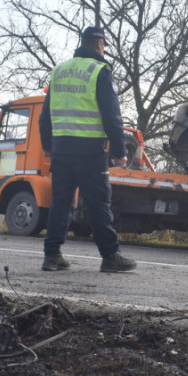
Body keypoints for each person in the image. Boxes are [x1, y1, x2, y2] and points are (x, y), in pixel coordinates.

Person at [38, 26, 137, 273]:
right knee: (98, 203)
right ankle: (110, 256)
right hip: (91, 150)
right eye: (103, 45)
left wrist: (48, 145)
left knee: (60, 202)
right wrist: (119, 150)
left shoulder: (58, 71)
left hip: (61, 148)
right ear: (98, 44)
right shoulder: (100, 71)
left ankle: (52, 256)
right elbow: (111, 115)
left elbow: (44, 115)